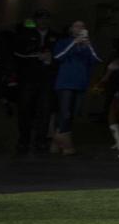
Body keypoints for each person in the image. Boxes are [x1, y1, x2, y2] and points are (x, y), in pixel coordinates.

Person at [52, 20, 102, 155]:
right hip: (65, 82)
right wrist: (73, 43)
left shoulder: (87, 45)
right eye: (77, 26)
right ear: (71, 29)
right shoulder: (64, 42)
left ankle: (57, 139)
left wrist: (88, 45)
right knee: (65, 113)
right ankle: (66, 143)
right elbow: (58, 57)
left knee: (73, 113)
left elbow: (97, 60)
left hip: (80, 83)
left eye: (83, 26)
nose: (80, 28)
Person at [12, 9, 58, 154]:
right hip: (28, 79)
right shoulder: (25, 35)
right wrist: (34, 55)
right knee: (25, 110)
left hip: (47, 79)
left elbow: (61, 56)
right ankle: (23, 140)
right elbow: (16, 54)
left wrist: (51, 59)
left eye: (46, 18)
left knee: (45, 111)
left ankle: (41, 141)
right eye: (40, 18)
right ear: (35, 20)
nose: (43, 21)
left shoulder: (56, 36)